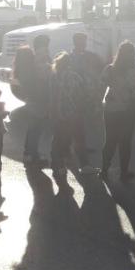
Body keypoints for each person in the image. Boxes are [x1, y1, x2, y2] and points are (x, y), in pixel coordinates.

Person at [100, 41, 135, 181]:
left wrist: (98, 104)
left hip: (111, 110)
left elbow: (101, 88)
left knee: (110, 141)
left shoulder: (109, 69)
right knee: (125, 142)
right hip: (127, 111)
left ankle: (104, 170)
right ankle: (124, 172)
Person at [69, 32, 105, 174]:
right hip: (76, 94)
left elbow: (99, 71)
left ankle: (80, 146)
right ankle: (78, 150)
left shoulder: (90, 56)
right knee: (78, 124)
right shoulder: (70, 58)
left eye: (84, 41)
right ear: (76, 43)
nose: (83, 44)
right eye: (81, 42)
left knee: (85, 122)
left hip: (88, 94)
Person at [49, 51, 86, 182]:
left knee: (58, 139)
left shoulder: (54, 76)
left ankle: (57, 164)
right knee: (70, 138)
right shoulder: (74, 76)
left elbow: (52, 95)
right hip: (72, 112)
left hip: (58, 112)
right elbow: (82, 93)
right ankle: (66, 162)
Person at [23, 35, 52, 168]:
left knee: (33, 127)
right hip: (40, 96)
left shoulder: (32, 57)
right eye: (47, 43)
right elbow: (46, 72)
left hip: (33, 95)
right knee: (37, 127)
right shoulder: (42, 55)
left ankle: (29, 153)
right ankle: (32, 154)